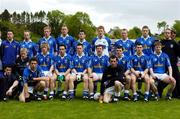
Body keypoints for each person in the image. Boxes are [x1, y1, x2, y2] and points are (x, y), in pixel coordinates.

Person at [160, 28, 180, 98]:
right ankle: (159, 92)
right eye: (166, 33)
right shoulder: (161, 42)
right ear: (164, 34)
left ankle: (176, 94)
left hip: (173, 64)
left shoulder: (174, 43)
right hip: (163, 65)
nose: (167, 34)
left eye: (168, 33)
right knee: (162, 79)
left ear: (170, 34)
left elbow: (178, 53)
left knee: (177, 78)